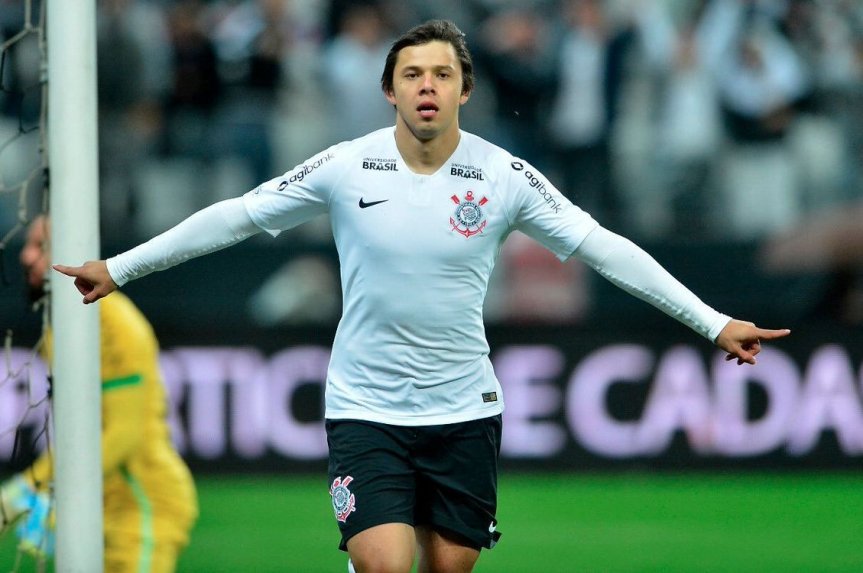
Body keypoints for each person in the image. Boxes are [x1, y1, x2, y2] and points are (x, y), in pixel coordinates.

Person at [52, 19, 790, 573]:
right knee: (384, 563)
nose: (427, 86)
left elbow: (602, 246)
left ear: (465, 89)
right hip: (364, 407)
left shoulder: (503, 176)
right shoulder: (347, 166)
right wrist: (122, 267)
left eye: (441, 74)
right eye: (412, 74)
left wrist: (712, 321)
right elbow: (239, 214)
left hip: (463, 409)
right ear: (390, 90)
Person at [1, 215, 198, 572]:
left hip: (142, 503)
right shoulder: (58, 328)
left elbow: (124, 434)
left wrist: (40, 487)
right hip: (94, 502)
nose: (26, 256)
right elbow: (83, 432)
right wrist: (26, 490)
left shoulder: (115, 325)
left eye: (41, 247)